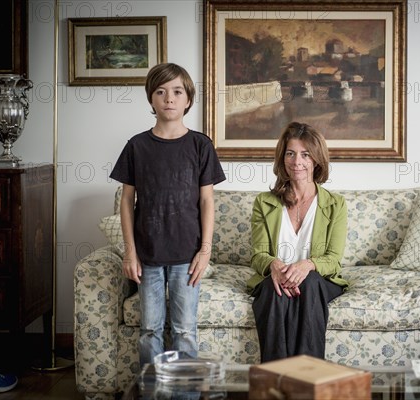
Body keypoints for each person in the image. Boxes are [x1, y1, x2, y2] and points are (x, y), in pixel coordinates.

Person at [110, 63, 226, 366]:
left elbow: (207, 202)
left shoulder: (201, 145)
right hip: (147, 255)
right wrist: (129, 253)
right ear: (151, 99)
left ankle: (185, 394)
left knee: (185, 330)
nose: (169, 98)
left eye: (177, 92)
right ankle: (153, 392)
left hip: (187, 256)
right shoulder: (137, 146)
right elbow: (126, 201)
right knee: (150, 330)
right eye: (160, 92)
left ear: (188, 99)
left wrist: (205, 251)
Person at [247, 121, 348, 362]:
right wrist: (275, 266)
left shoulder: (336, 204)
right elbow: (258, 254)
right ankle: (275, 380)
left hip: (317, 281)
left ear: (316, 160)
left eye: (305, 154)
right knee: (274, 289)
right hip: (276, 277)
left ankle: (308, 377)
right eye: (290, 154)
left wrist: (307, 265)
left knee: (310, 283)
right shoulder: (264, 202)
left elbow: (333, 260)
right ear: (282, 159)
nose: (297, 162)